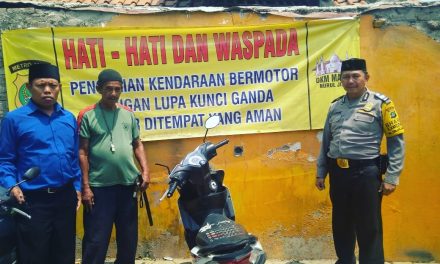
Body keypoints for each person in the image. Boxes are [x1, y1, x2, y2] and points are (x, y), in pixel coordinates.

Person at [315, 58, 405, 264]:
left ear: (366, 77)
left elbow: (396, 141)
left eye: (356, 76)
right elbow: (327, 141)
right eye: (346, 77)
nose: (351, 80)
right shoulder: (335, 106)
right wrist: (321, 171)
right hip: (338, 174)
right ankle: (345, 260)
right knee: (341, 223)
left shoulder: (381, 104)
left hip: (366, 173)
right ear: (340, 80)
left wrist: (392, 176)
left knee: (368, 226)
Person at [0, 63, 82, 264]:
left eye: (52, 85)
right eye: (41, 85)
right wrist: (11, 186)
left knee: (64, 253)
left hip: (65, 198)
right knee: (34, 255)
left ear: (59, 88)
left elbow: (74, 158)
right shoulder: (14, 119)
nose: (47, 90)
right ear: (29, 88)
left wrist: (78, 187)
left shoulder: (68, 118)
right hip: (32, 200)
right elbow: (5, 159)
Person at [77, 69, 150, 264]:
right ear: (99, 89)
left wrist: (145, 171)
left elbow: (137, 144)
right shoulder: (87, 115)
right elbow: (82, 152)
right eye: (109, 89)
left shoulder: (128, 114)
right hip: (99, 188)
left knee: (128, 239)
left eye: (118, 89)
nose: (113, 93)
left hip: (128, 186)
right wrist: (85, 187)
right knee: (96, 239)